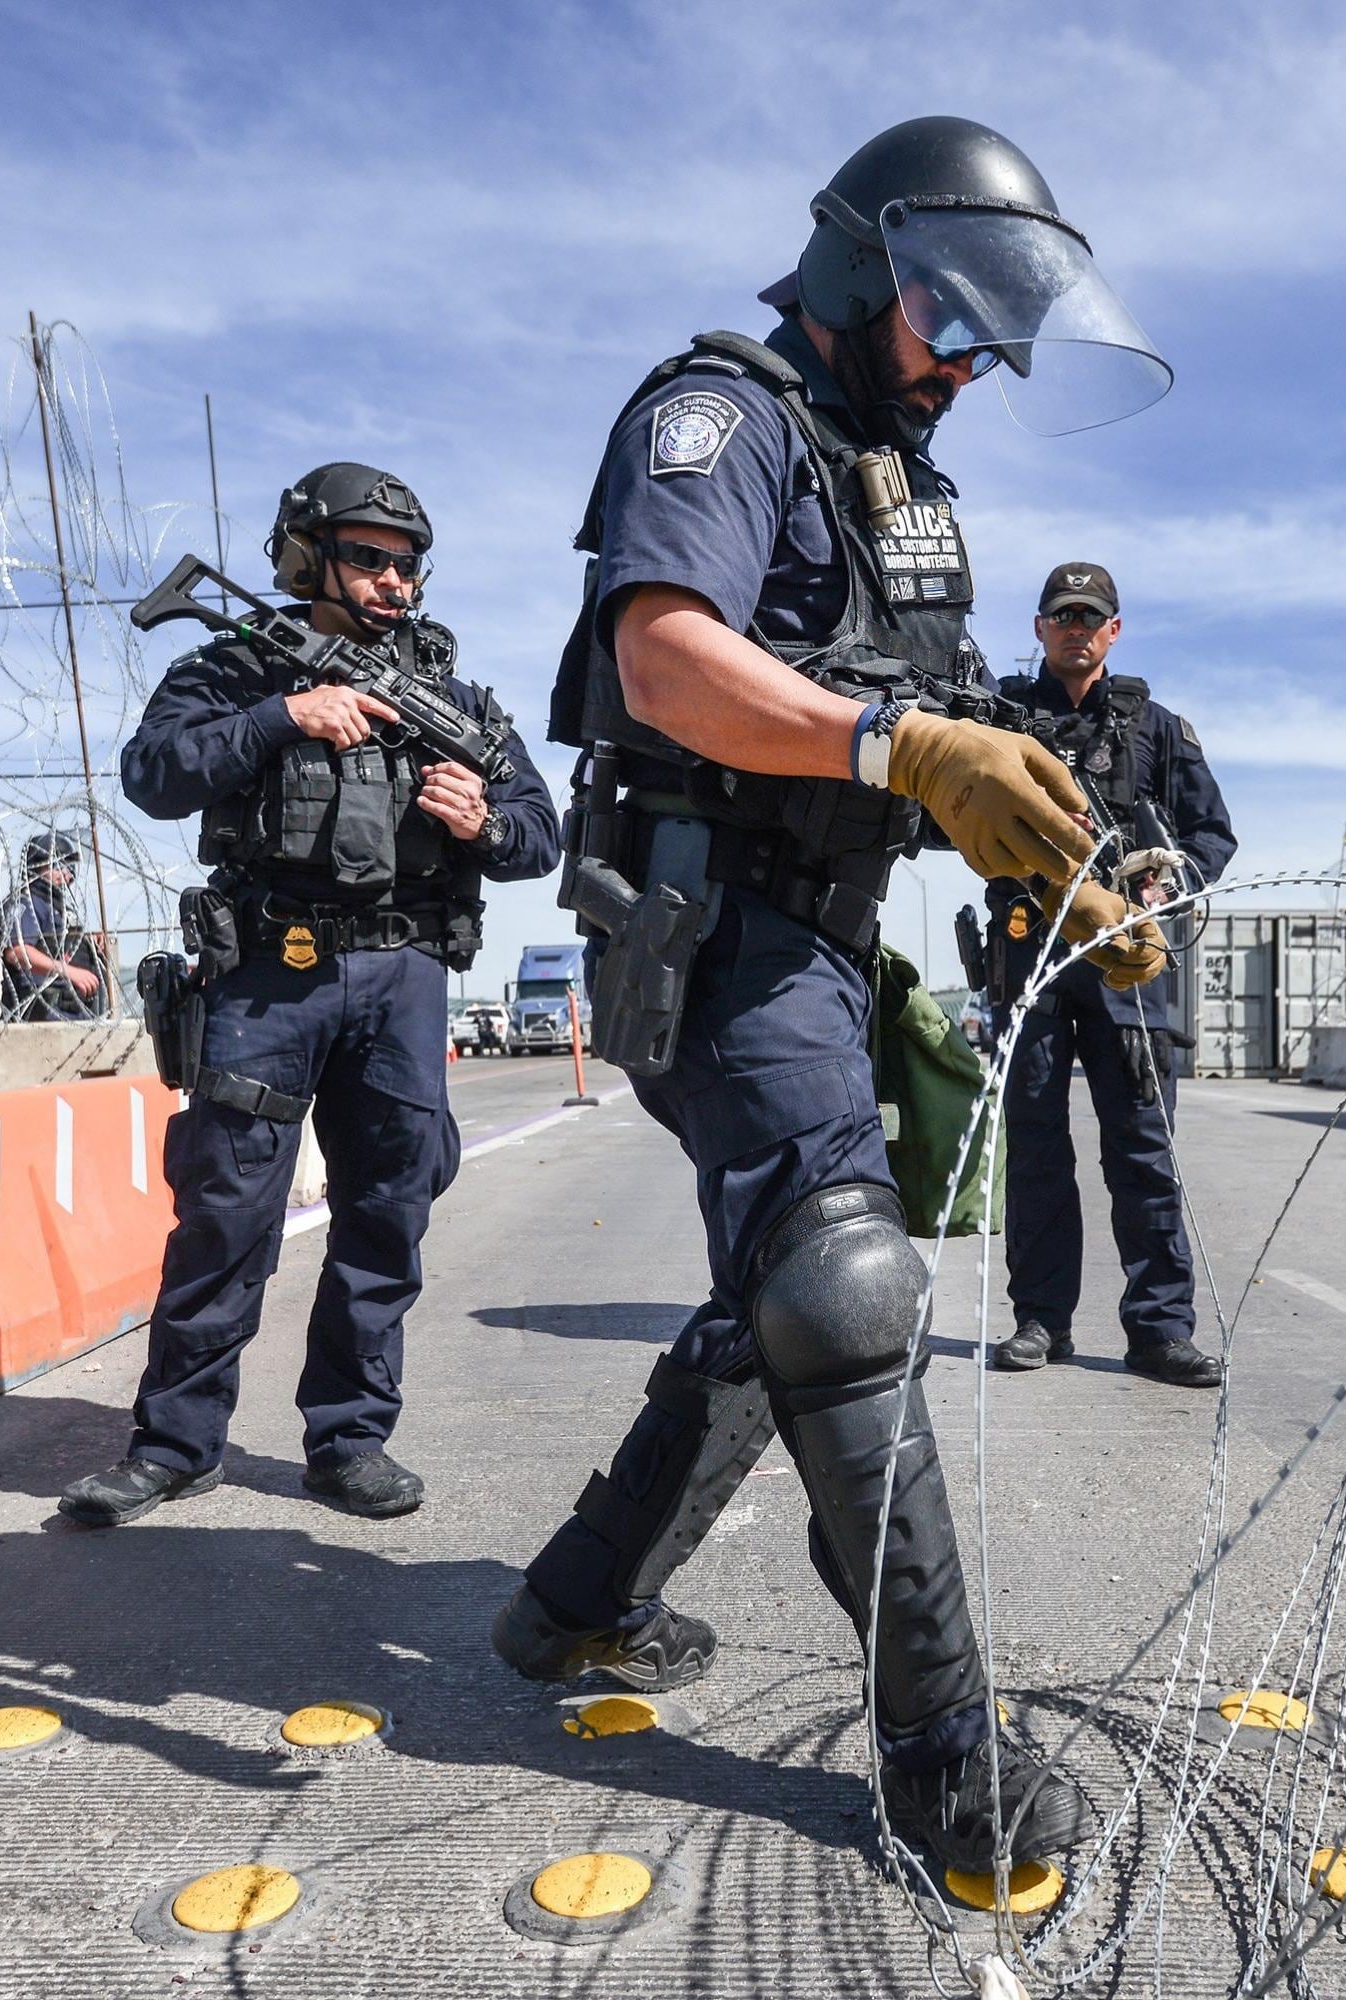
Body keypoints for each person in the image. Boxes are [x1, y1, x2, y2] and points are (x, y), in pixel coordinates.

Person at [492, 117, 1173, 1877]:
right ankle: (945, 1756)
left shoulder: (896, 477)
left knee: (771, 1306)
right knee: (844, 1280)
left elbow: (923, 761)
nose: (968, 365)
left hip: (821, 932)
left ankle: (577, 1601)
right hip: (709, 929)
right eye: (950, 322)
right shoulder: (721, 418)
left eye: (993, 341)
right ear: (867, 266)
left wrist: (1063, 870)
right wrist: (898, 741)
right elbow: (663, 654)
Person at [61, 463, 557, 1526]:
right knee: (226, 1210)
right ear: (307, 558)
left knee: (386, 1212)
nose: (390, 578)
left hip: (403, 977)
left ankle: (349, 1439)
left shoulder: (460, 705)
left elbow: (539, 834)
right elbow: (154, 773)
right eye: (367, 556)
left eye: (405, 562)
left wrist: (485, 822)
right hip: (268, 972)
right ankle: (174, 1444)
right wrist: (281, 715)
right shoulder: (240, 668)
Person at [983, 561, 1236, 1384]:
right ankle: (1040, 1321)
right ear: (1039, 628)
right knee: (1037, 1150)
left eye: (1090, 617)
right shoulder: (1004, 720)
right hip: (1033, 958)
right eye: (1061, 616)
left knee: (1142, 1148)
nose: (1076, 629)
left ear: (1114, 631)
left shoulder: (1156, 728)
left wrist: (1167, 883)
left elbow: (1211, 836)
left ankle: (1159, 1332)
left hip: (1128, 962)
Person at [0, 830, 104, 1020]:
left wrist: (86, 943)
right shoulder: (26, 903)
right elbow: (17, 952)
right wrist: (68, 971)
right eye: (57, 865)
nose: (66, 873)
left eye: (69, 867)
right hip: (42, 1017)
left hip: (75, 1015)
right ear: (36, 866)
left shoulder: (58, 908)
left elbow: (57, 946)